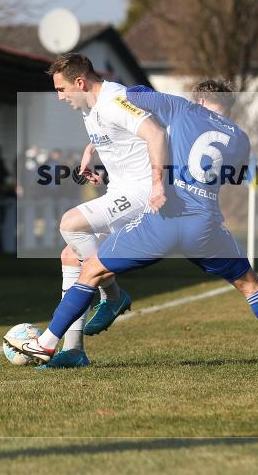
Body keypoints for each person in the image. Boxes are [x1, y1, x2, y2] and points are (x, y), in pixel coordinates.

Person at [6, 81, 258, 368]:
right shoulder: (240, 138)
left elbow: (130, 95)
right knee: (250, 285)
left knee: (90, 270)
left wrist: (104, 141)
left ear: (200, 100)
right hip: (205, 226)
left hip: (165, 219)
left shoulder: (182, 108)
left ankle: (46, 344)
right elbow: (236, 175)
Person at [33, 52, 167, 369]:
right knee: (71, 255)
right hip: (121, 191)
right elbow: (112, 131)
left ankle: (113, 294)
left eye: (62, 89)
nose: (60, 97)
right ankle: (74, 351)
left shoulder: (115, 100)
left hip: (143, 194)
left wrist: (158, 184)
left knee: (70, 223)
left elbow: (156, 133)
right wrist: (90, 150)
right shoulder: (90, 105)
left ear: (80, 82)